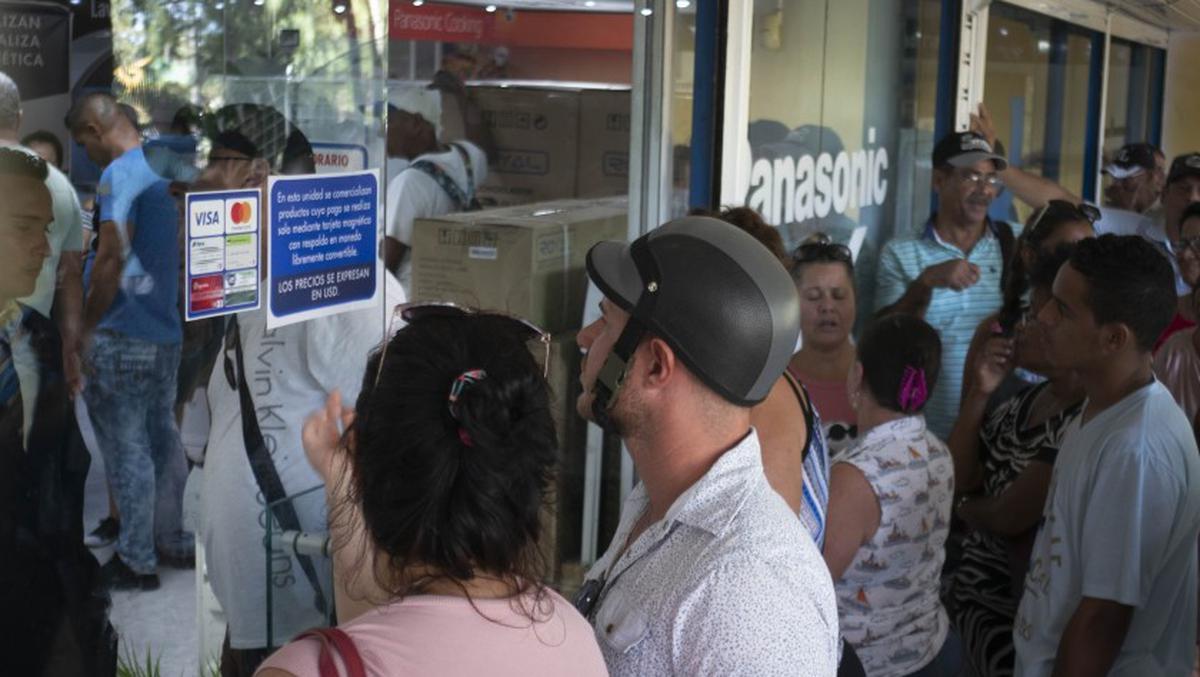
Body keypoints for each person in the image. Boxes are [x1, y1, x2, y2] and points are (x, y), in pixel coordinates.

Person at [256, 305, 607, 677]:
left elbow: (385, 639)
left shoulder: (302, 670)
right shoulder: (574, 637)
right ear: (535, 478)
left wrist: (344, 477)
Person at [574, 216, 839, 674]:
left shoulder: (753, 591)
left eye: (605, 321)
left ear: (657, 365)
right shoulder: (661, 504)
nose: (584, 339)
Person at [195, 126, 405, 677]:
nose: (199, 187)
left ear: (263, 177)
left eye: (214, 167)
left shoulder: (347, 284)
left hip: (302, 570)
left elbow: (383, 414)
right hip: (262, 581)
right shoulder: (258, 282)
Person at [1014, 234, 1200, 675]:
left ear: (1114, 338)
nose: (1042, 316)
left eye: (1062, 308)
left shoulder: (1136, 451)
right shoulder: (1102, 406)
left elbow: (1102, 619)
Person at [0, 147, 118, 676]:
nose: (43, 249)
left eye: (47, 231)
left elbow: (61, 482)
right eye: (25, 228)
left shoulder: (36, 335)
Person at [69, 91, 192, 589]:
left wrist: (85, 325)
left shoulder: (119, 173)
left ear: (96, 130)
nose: (85, 153)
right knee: (163, 440)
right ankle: (170, 539)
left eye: (83, 142)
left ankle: (137, 559)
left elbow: (110, 258)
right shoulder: (167, 163)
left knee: (127, 450)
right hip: (165, 328)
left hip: (123, 332)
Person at [945, 247, 1085, 677]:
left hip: (1014, 626)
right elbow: (961, 474)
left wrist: (965, 510)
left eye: (1041, 313)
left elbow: (1010, 515)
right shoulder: (1025, 401)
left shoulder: (1083, 421)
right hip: (967, 610)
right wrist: (980, 393)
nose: (1025, 325)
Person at [822, 314, 959, 677]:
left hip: (869, 665)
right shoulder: (939, 453)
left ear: (857, 376)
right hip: (934, 649)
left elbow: (813, 584)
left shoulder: (855, 478)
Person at [875, 130, 1015, 439]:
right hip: (923, 435)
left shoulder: (1014, 243)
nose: (985, 191)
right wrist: (925, 283)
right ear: (939, 180)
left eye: (991, 180)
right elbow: (882, 342)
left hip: (998, 433)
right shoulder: (900, 252)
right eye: (972, 177)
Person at [0, 72, 86, 404]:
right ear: (20, 118)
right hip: (33, 354)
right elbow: (71, 274)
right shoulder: (57, 185)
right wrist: (69, 348)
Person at [959, 200, 1096, 405]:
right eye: (1067, 251)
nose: (1079, 264)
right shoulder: (992, 332)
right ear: (1030, 257)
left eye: (1089, 252)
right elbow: (964, 426)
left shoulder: (1095, 338)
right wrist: (981, 391)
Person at [383, 88, 488, 292]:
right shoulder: (469, 155)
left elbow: (385, 268)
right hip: (457, 289)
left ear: (415, 124)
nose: (381, 130)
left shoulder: (409, 183)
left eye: (389, 121)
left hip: (410, 300)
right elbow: (487, 153)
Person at [790, 233, 859, 455]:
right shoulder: (778, 383)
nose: (827, 306)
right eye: (813, 296)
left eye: (839, 295)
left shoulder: (881, 377)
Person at [1102, 142, 1167, 215]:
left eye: (1125, 179)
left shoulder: (1166, 216)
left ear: (1150, 177)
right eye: (1114, 178)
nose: (1116, 185)